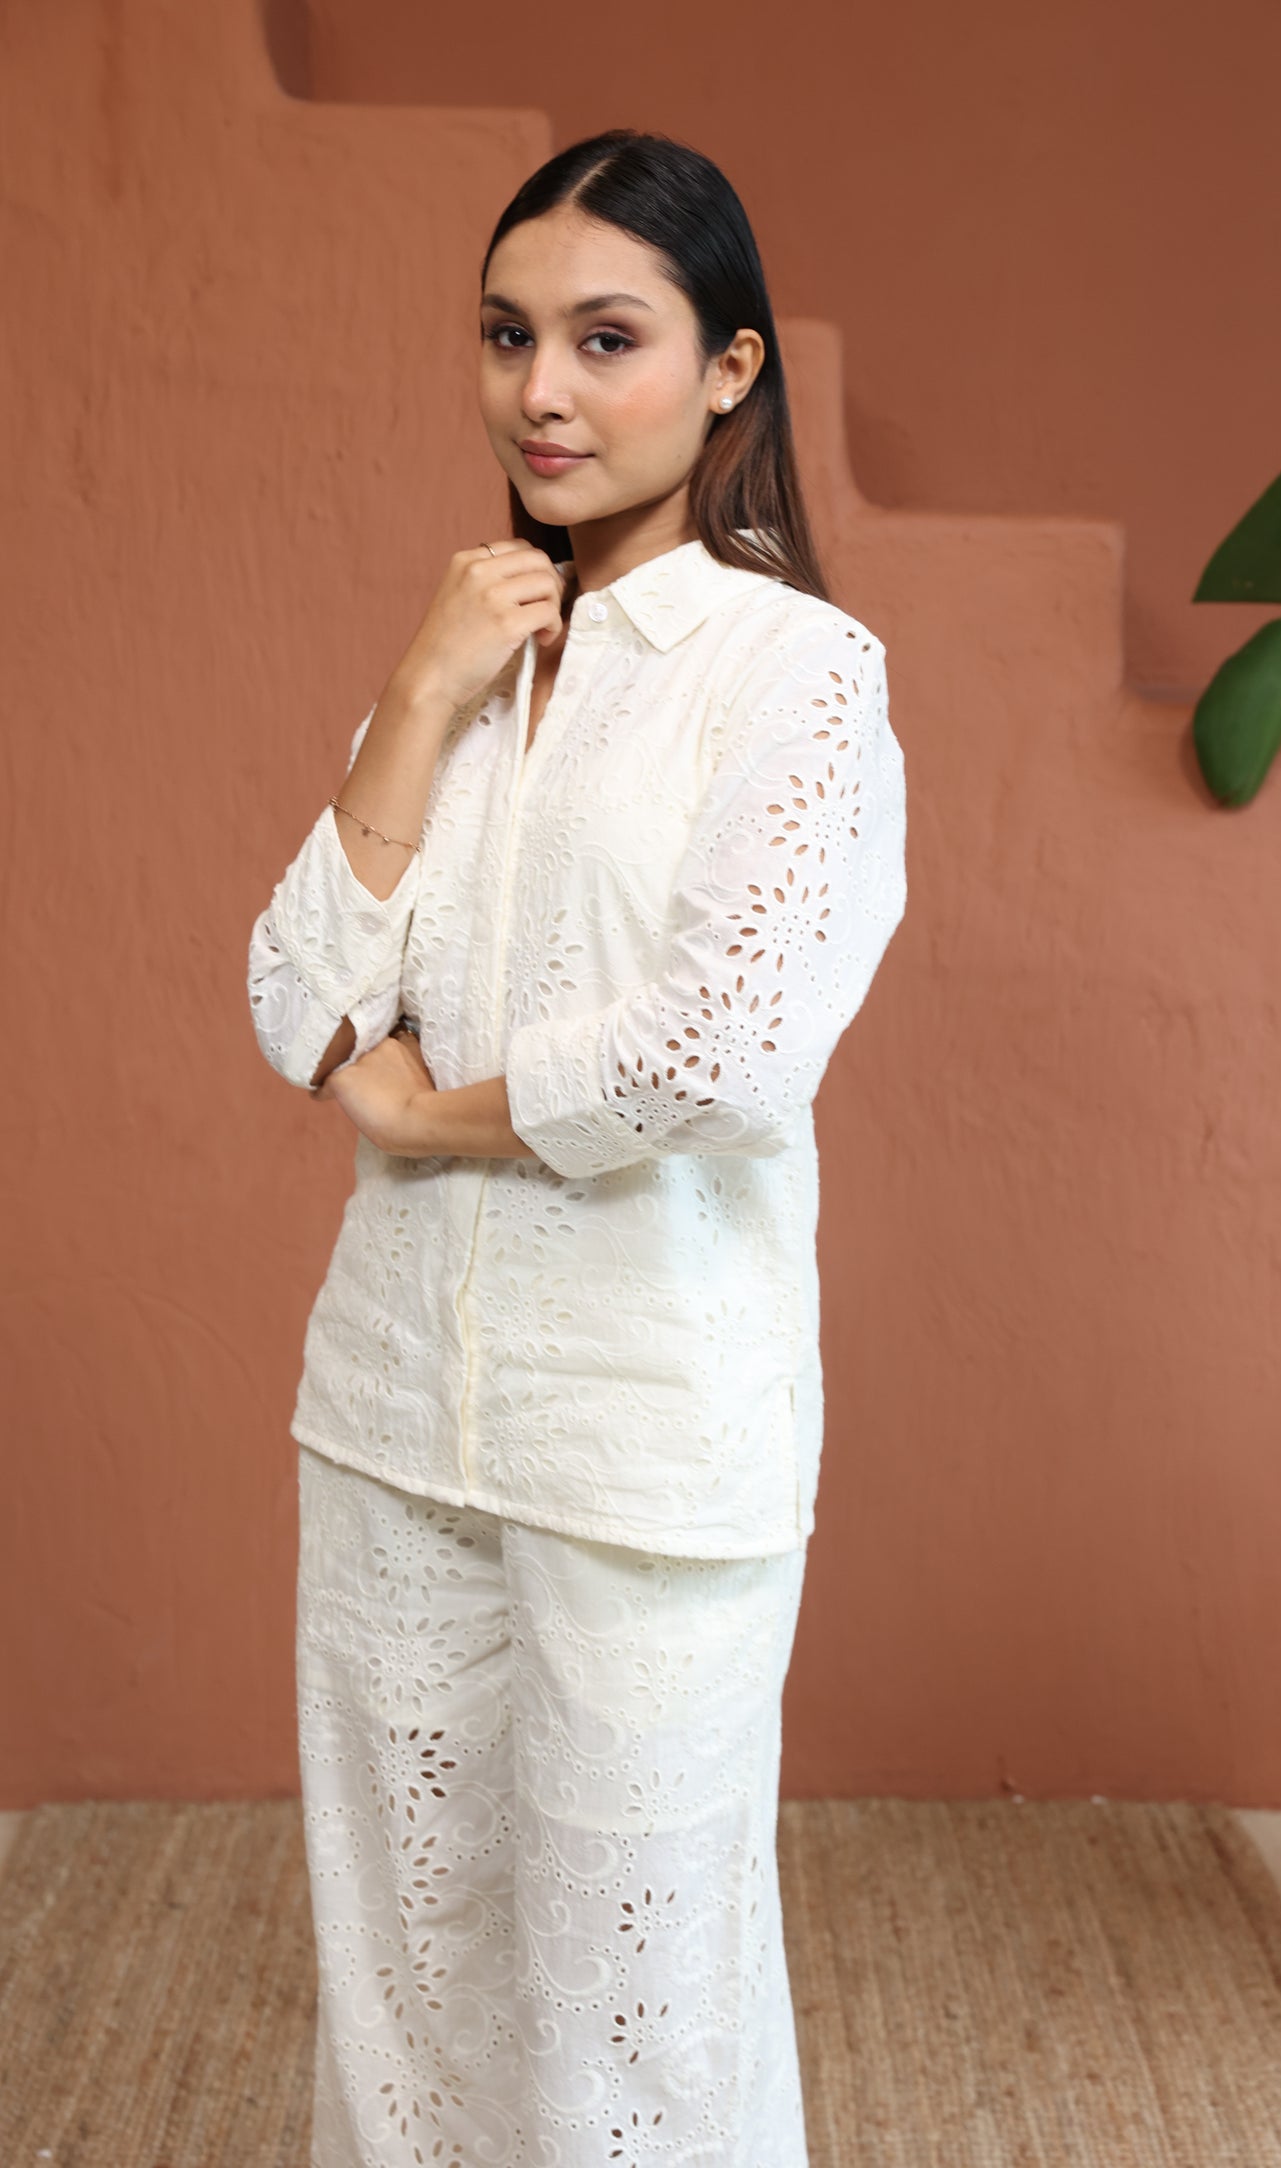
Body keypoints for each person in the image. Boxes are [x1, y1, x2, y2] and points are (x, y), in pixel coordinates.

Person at [247, 126, 907, 2168]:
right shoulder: (469, 660)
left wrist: (436, 1101)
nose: (541, 388)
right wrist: (416, 686)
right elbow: (293, 999)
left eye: (605, 338)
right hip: (388, 1428)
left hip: (647, 1449)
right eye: (506, 334)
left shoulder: (795, 678)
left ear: (729, 367)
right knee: (411, 1988)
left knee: (642, 2007)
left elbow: (721, 1046)